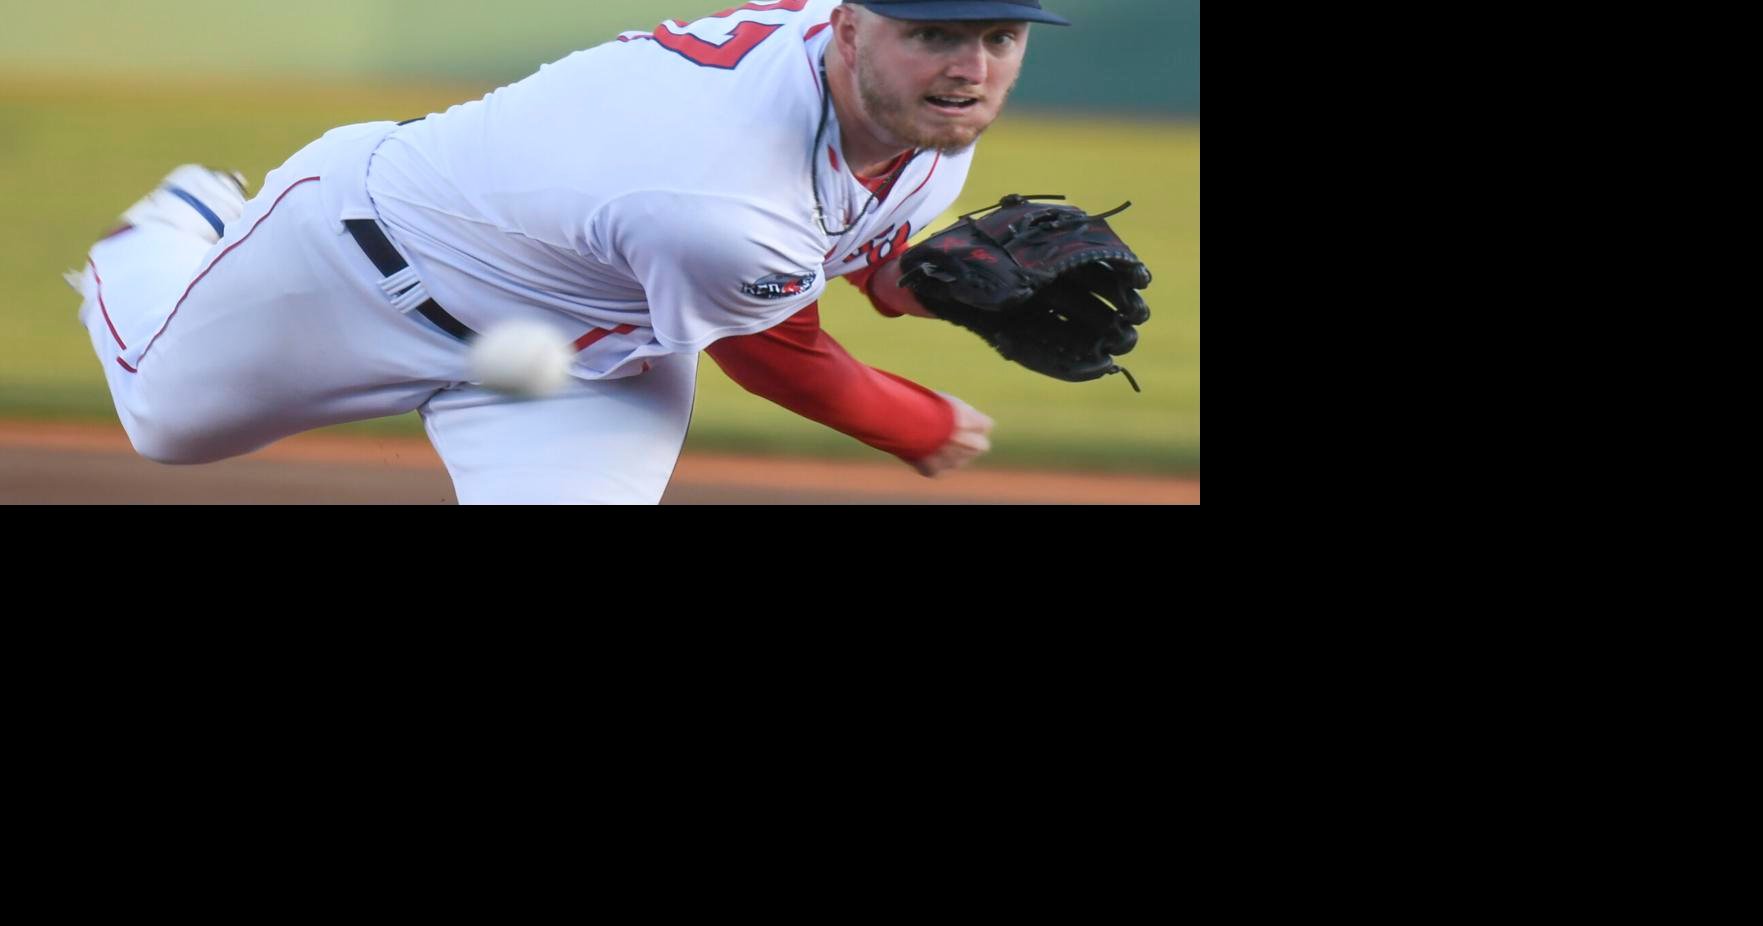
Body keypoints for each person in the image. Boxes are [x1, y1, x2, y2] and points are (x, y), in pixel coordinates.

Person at [64, 0, 1071, 503]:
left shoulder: (923, 102)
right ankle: (178, 223)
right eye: (936, 31)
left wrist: (918, 287)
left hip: (587, 360)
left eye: (998, 36)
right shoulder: (712, 187)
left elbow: (845, 235)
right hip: (357, 267)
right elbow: (771, 349)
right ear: (848, 29)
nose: (971, 67)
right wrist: (915, 420)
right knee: (166, 425)